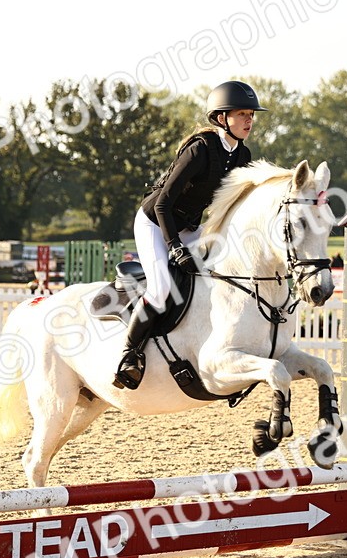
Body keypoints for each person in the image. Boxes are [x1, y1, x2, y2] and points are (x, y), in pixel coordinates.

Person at [112, 80, 266, 390]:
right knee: (161, 288)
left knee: (216, 279)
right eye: (242, 114)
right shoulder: (200, 149)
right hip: (156, 222)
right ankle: (129, 355)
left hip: (192, 227)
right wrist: (175, 247)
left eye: (251, 114)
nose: (249, 121)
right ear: (222, 117)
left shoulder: (242, 155)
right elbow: (164, 204)